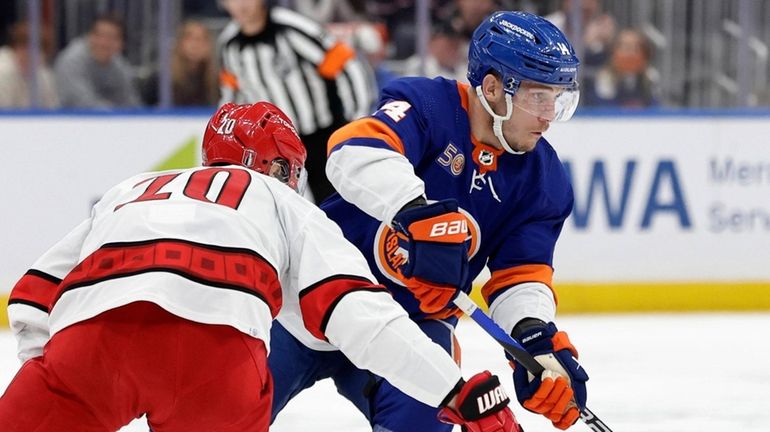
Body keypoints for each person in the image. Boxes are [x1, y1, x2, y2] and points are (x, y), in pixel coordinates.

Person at [0, 101, 520, 432]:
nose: (291, 179)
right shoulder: (283, 202)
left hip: (94, 339)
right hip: (217, 355)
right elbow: (356, 314)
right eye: (286, 168)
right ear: (272, 166)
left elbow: (33, 292)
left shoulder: (132, 189)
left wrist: (58, 371)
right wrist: (454, 389)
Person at [269, 11, 591, 432]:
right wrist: (416, 212)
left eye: (559, 100)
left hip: (410, 332)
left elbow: (521, 275)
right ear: (492, 88)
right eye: (538, 97)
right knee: (218, 417)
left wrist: (534, 337)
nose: (549, 116)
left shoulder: (544, 179)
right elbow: (351, 151)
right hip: (306, 302)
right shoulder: (428, 105)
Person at [217, 0, 374, 204]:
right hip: (273, 148)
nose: (240, 4)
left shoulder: (291, 27)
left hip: (321, 136)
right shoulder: (229, 45)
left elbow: (347, 65)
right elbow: (232, 98)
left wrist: (357, 117)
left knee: (339, 205)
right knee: (278, 211)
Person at [53, 13, 141, 108]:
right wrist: (116, 113)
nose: (104, 43)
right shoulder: (71, 61)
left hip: (109, 119)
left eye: (111, 38)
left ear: (121, 44)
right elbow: (82, 103)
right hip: (69, 120)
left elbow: (132, 103)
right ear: (89, 36)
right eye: (99, 35)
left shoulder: (119, 64)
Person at [140, 20, 218, 107]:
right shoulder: (160, 80)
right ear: (179, 44)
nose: (195, 45)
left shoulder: (217, 82)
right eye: (189, 39)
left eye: (201, 39)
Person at [581, 28, 659, 108]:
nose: (630, 54)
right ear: (613, 53)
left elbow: (655, 106)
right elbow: (603, 107)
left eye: (635, 48)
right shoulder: (604, 78)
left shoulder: (650, 77)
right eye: (626, 47)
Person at [0, 21, 59, 109]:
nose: (28, 54)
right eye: (23, 48)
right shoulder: (3, 71)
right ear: (15, 48)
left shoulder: (43, 76)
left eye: (36, 51)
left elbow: (53, 112)